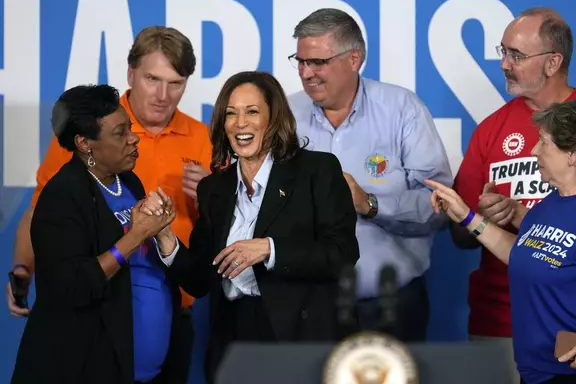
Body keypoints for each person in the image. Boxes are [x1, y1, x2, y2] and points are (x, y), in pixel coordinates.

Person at [7, 26, 211, 382]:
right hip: (100, 322)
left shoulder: (202, 140)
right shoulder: (82, 141)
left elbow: (218, 231)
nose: (163, 95)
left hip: (174, 314)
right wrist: (24, 266)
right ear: (132, 73)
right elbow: (42, 213)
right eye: (152, 79)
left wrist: (210, 196)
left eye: (176, 83)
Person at [451, 7, 576, 381]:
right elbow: (461, 235)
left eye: (516, 55)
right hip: (501, 321)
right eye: (502, 51)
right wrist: (481, 214)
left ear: (553, 61)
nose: (504, 64)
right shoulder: (491, 129)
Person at [149, 71, 359, 382]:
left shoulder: (317, 171)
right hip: (234, 336)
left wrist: (269, 249)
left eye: (252, 112)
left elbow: (342, 253)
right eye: (230, 114)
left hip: (298, 338)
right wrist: (164, 236)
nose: (240, 123)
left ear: (274, 119)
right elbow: (199, 280)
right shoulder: (214, 189)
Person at [429, 97, 576, 384]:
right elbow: (520, 252)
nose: (533, 151)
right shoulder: (551, 202)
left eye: (544, 142)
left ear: (574, 154)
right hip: (538, 370)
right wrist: (465, 215)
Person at [287, 8, 452, 341]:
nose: (307, 73)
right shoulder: (285, 115)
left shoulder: (403, 110)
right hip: (307, 306)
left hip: (391, 306)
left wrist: (370, 204)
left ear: (354, 59)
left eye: (318, 62)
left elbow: (440, 206)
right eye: (301, 61)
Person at [11, 84, 182, 384]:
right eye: (119, 133)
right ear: (84, 143)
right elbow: (74, 287)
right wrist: (135, 236)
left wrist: (163, 234)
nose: (133, 138)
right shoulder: (61, 197)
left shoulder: (129, 182)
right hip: (81, 367)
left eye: (129, 127)